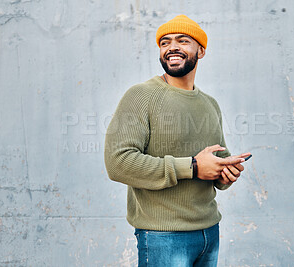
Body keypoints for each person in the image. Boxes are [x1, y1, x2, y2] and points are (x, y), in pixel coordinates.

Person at [104, 14, 250, 267]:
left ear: (201, 51)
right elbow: (118, 163)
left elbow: (215, 163)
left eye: (183, 41)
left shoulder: (210, 104)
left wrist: (225, 173)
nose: (172, 47)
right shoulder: (141, 95)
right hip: (163, 235)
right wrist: (193, 167)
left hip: (209, 231)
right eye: (165, 42)